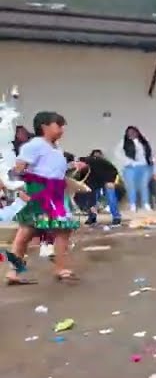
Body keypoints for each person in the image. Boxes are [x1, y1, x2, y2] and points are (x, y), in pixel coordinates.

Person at [6, 111, 84, 285]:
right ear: (45, 127)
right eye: (59, 125)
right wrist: (21, 189)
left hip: (55, 191)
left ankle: (58, 268)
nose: (62, 129)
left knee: (60, 230)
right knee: (28, 230)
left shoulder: (55, 147)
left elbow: (53, 169)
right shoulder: (34, 145)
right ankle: (16, 270)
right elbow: (18, 169)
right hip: (40, 190)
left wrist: (73, 165)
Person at [116, 125, 154, 212]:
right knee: (131, 186)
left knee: (144, 186)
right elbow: (118, 153)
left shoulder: (144, 142)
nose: (131, 134)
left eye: (133, 132)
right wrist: (127, 161)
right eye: (129, 132)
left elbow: (149, 152)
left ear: (137, 132)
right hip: (131, 167)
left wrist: (150, 160)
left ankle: (146, 204)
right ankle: (132, 204)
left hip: (144, 166)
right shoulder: (123, 142)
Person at [78, 149, 121, 225]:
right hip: (95, 182)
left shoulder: (99, 162)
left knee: (111, 197)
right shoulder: (83, 171)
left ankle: (116, 217)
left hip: (108, 178)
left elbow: (113, 170)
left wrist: (111, 181)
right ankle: (92, 216)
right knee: (92, 198)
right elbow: (89, 187)